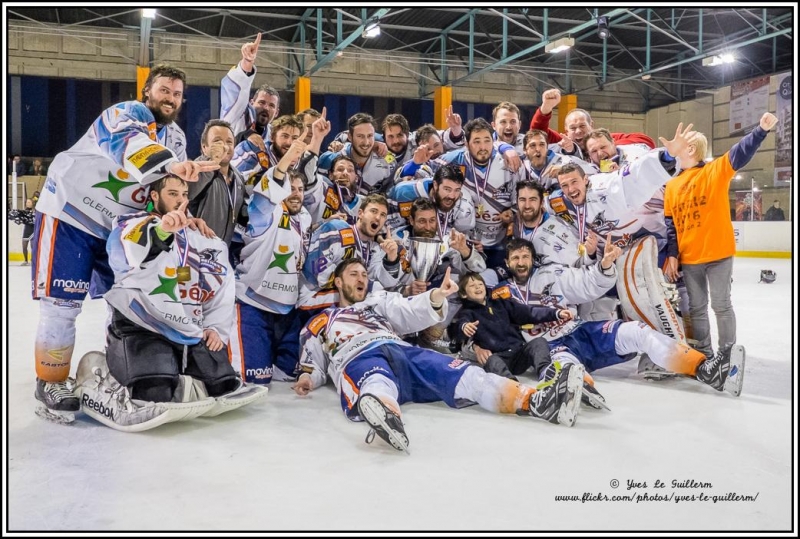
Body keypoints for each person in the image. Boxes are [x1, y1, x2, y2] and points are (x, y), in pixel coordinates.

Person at [30, 64, 219, 423]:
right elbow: (129, 144)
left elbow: (165, 191)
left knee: (128, 303)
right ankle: (50, 380)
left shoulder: (176, 139)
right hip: (70, 213)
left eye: (177, 94)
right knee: (61, 304)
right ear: (147, 91)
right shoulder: (125, 113)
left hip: (117, 229)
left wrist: (181, 211)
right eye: (164, 90)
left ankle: (123, 369)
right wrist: (173, 167)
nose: (171, 98)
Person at [293, 258, 586, 454]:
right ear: (339, 282)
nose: (361, 278)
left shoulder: (378, 301)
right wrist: (308, 377)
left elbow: (409, 311)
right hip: (357, 354)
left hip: (403, 351)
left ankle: (538, 401)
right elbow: (313, 360)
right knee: (376, 380)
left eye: (364, 274)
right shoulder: (322, 320)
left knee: (469, 374)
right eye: (353, 274)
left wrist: (435, 297)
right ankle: (386, 415)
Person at [73, 175, 267, 432]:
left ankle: (181, 377)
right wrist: (164, 229)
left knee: (224, 385)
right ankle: (105, 378)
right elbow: (130, 251)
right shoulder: (130, 224)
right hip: (141, 325)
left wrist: (215, 328)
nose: (180, 200)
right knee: (155, 391)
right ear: (155, 196)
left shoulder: (201, 236)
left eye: (184, 194)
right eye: (173, 193)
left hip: (188, 329)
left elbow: (222, 282)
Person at [491, 238, 745, 402]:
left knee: (638, 332)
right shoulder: (500, 293)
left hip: (582, 332)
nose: (521, 262)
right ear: (507, 262)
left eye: (525, 257)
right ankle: (577, 393)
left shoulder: (551, 274)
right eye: (515, 258)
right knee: (567, 371)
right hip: (552, 348)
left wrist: (603, 267)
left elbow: (586, 283)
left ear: (532, 259)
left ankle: (705, 370)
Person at [663, 112, 778, 364]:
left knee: (721, 305)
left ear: (691, 148)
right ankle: (704, 354)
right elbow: (670, 225)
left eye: (680, 144)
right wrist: (673, 254)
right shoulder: (671, 186)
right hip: (690, 257)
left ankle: (727, 356)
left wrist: (760, 131)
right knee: (697, 308)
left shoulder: (714, 171)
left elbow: (740, 152)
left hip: (718, 253)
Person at [229, 136, 312, 386]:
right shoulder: (266, 212)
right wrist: (286, 161)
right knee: (253, 382)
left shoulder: (305, 217)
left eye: (300, 189)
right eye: (290, 189)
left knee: (288, 376)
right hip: (253, 304)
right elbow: (266, 196)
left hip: (287, 310)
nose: (295, 194)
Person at [451, 272, 567, 381]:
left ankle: (546, 373)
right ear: (463, 294)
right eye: (472, 285)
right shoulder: (467, 312)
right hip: (499, 357)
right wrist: (464, 327)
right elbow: (460, 325)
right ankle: (513, 386)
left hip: (518, 353)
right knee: (492, 361)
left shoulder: (501, 303)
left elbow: (527, 312)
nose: (478, 287)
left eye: (480, 284)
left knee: (539, 342)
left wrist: (556, 313)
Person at [298, 194, 405, 310]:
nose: (378, 218)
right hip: (309, 297)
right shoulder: (336, 228)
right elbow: (315, 271)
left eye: (383, 215)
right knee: (374, 295)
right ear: (360, 213)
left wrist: (392, 257)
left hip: (338, 304)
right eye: (374, 211)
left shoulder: (372, 249)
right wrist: (367, 286)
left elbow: (385, 282)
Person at [530, 88, 655, 160]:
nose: (578, 131)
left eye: (582, 126)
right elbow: (537, 134)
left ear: (592, 125)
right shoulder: (564, 143)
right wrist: (546, 107)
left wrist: (606, 147)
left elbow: (645, 140)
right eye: (573, 128)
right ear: (566, 130)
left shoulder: (607, 140)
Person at [188, 119, 246, 248]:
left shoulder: (238, 178)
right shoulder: (194, 172)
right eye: (217, 141)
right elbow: (188, 193)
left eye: (229, 142)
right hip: (194, 254)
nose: (224, 146)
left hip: (221, 255)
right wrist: (212, 161)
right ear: (204, 147)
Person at [220, 33, 280, 142]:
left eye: (271, 105)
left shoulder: (275, 137)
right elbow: (237, 91)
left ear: (276, 113)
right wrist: (247, 62)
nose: (266, 108)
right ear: (251, 103)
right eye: (262, 102)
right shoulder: (236, 117)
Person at [319, 113, 398, 195]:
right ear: (349, 137)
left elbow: (388, 197)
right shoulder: (328, 159)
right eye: (360, 136)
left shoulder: (389, 162)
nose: (366, 142)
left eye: (370, 136)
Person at [8, 198, 35, 265]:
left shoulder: (35, 211)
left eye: (29, 202)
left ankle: (32, 260)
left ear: (32, 203)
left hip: (33, 230)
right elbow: (16, 215)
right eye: (27, 202)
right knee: (24, 246)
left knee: (33, 246)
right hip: (26, 230)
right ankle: (25, 261)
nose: (27, 203)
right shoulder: (23, 212)